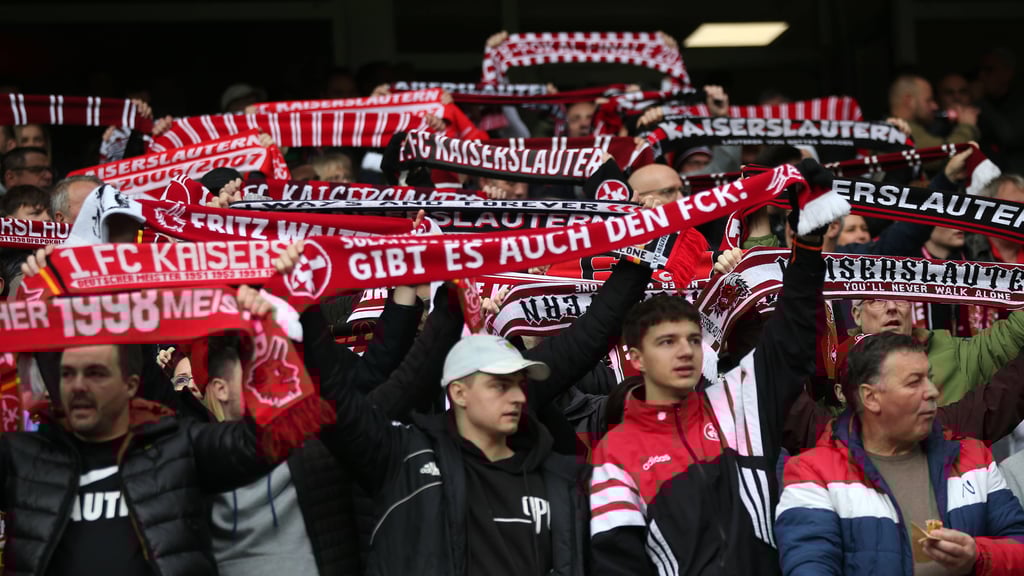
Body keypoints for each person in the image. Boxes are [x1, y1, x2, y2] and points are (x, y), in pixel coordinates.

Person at [589, 166, 828, 574]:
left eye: (691, 339)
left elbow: (790, 342)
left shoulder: (739, 403)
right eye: (667, 342)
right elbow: (617, 564)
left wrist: (806, 248)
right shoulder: (616, 454)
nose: (685, 352)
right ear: (635, 358)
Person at [0, 286, 282, 575]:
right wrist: (47, 290)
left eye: (96, 373)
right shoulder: (25, 457)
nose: (79, 385)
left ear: (131, 385)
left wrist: (269, 334)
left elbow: (266, 438)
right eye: (67, 374)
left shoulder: (178, 448)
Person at [319, 331, 585, 576]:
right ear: (459, 393)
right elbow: (336, 400)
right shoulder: (409, 463)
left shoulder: (558, 477)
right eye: (501, 386)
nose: (518, 397)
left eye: (520, 385)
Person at [776, 332, 1024, 575]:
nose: (932, 391)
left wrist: (978, 556)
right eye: (914, 382)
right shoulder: (813, 475)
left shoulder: (974, 459)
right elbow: (810, 564)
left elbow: (1018, 546)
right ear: (871, 398)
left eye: (929, 378)